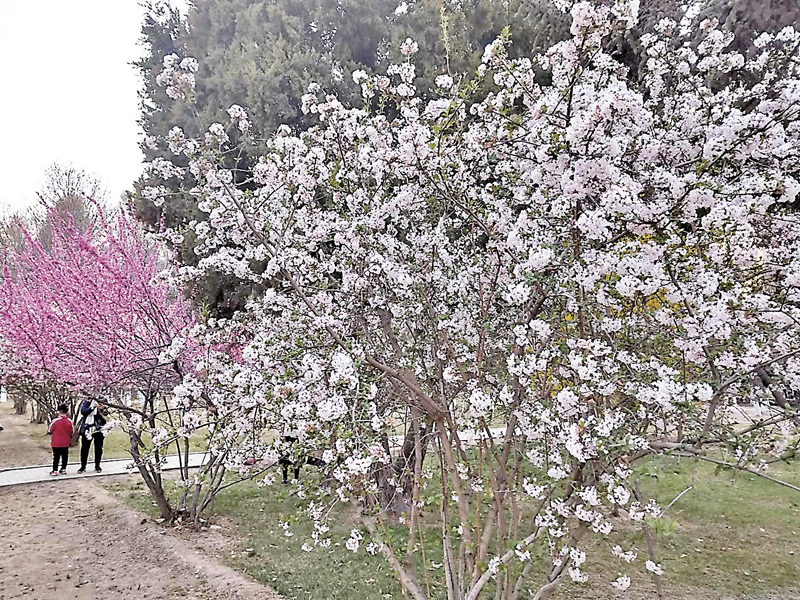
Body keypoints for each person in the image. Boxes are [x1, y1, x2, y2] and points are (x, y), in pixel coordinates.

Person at [78, 397, 106, 473]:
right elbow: (83, 411)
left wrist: (101, 408)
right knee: (85, 448)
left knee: (98, 448)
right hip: (87, 427)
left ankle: (97, 466)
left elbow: (106, 414)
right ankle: (83, 466)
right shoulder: (87, 401)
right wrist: (92, 407)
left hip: (98, 428)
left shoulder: (102, 400)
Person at [48, 404, 74, 476]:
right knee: (65, 456)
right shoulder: (70, 421)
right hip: (65, 442)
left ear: (59, 411)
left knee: (56, 457)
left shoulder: (55, 421)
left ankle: (55, 470)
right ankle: (63, 469)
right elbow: (72, 432)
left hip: (56, 442)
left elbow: (50, 430)